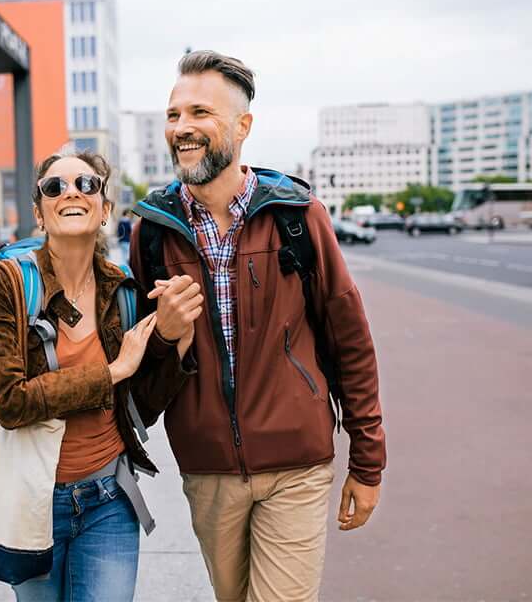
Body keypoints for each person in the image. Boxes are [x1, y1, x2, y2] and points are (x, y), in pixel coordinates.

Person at [130, 51, 387, 602]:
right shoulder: (153, 232)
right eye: (173, 115)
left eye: (200, 112)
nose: (182, 128)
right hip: (208, 470)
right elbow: (141, 385)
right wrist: (168, 338)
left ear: (243, 126)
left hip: (297, 462)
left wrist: (368, 463)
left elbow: (351, 343)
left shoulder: (297, 215)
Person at [0, 151, 202, 601]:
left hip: (109, 499)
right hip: (33, 501)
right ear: (39, 213)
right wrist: (112, 370)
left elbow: (140, 410)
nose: (71, 192)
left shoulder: (124, 287)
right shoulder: (3, 283)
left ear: (104, 209)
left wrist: (177, 343)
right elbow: (9, 403)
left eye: (86, 184)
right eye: (54, 187)